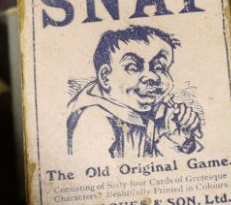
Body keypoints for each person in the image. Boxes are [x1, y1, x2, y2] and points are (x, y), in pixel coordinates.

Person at [67, 25, 203, 158]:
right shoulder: (94, 119)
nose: (152, 76)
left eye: (158, 67)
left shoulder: (153, 114)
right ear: (105, 77)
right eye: (133, 68)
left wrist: (178, 138)